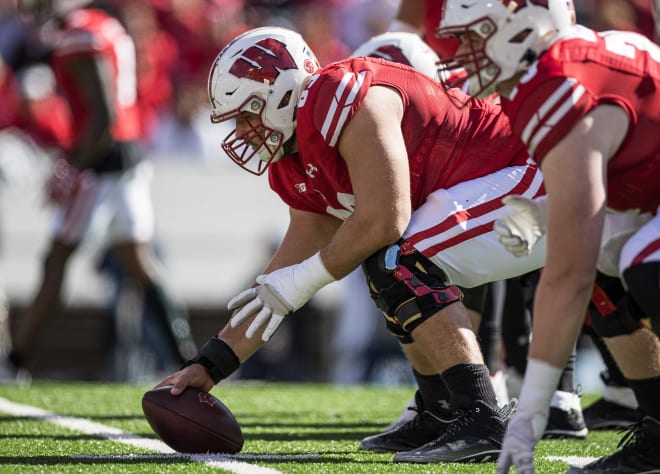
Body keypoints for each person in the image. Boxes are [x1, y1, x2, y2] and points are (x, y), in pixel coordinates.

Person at [153, 25, 559, 465]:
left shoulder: (340, 94)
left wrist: (298, 284)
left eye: (248, 113)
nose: (243, 130)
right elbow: (276, 285)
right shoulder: (296, 161)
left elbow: (386, 219)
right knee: (383, 262)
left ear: (282, 90)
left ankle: (482, 413)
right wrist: (209, 366)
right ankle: (441, 411)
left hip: (537, 172)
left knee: (397, 256)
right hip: (499, 191)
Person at [436, 1, 660, 473]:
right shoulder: (545, 78)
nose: (464, 51)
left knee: (640, 264)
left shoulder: (557, 84)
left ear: (523, 27)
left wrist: (529, 415)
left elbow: (566, 275)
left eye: (476, 36)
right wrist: (543, 210)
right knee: (609, 268)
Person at [2, 0, 197, 379]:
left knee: (55, 260)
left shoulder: (79, 34)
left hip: (100, 165)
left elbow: (102, 114)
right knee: (139, 265)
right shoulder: (103, 24)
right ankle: (186, 358)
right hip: (128, 155)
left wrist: (73, 167)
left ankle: (14, 364)